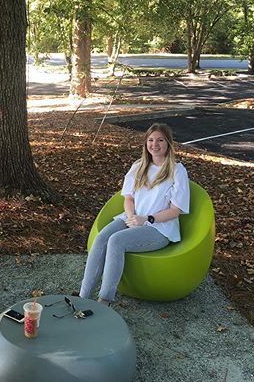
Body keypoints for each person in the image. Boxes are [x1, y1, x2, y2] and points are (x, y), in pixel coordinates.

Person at [79, 123, 190, 305]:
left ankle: (104, 300)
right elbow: (128, 199)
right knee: (101, 238)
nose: (155, 144)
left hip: (159, 228)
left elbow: (175, 211)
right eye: (151, 140)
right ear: (146, 143)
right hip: (132, 218)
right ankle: (83, 297)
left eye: (160, 140)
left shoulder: (177, 171)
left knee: (116, 241)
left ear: (168, 143)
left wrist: (146, 219)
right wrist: (131, 217)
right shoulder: (139, 166)